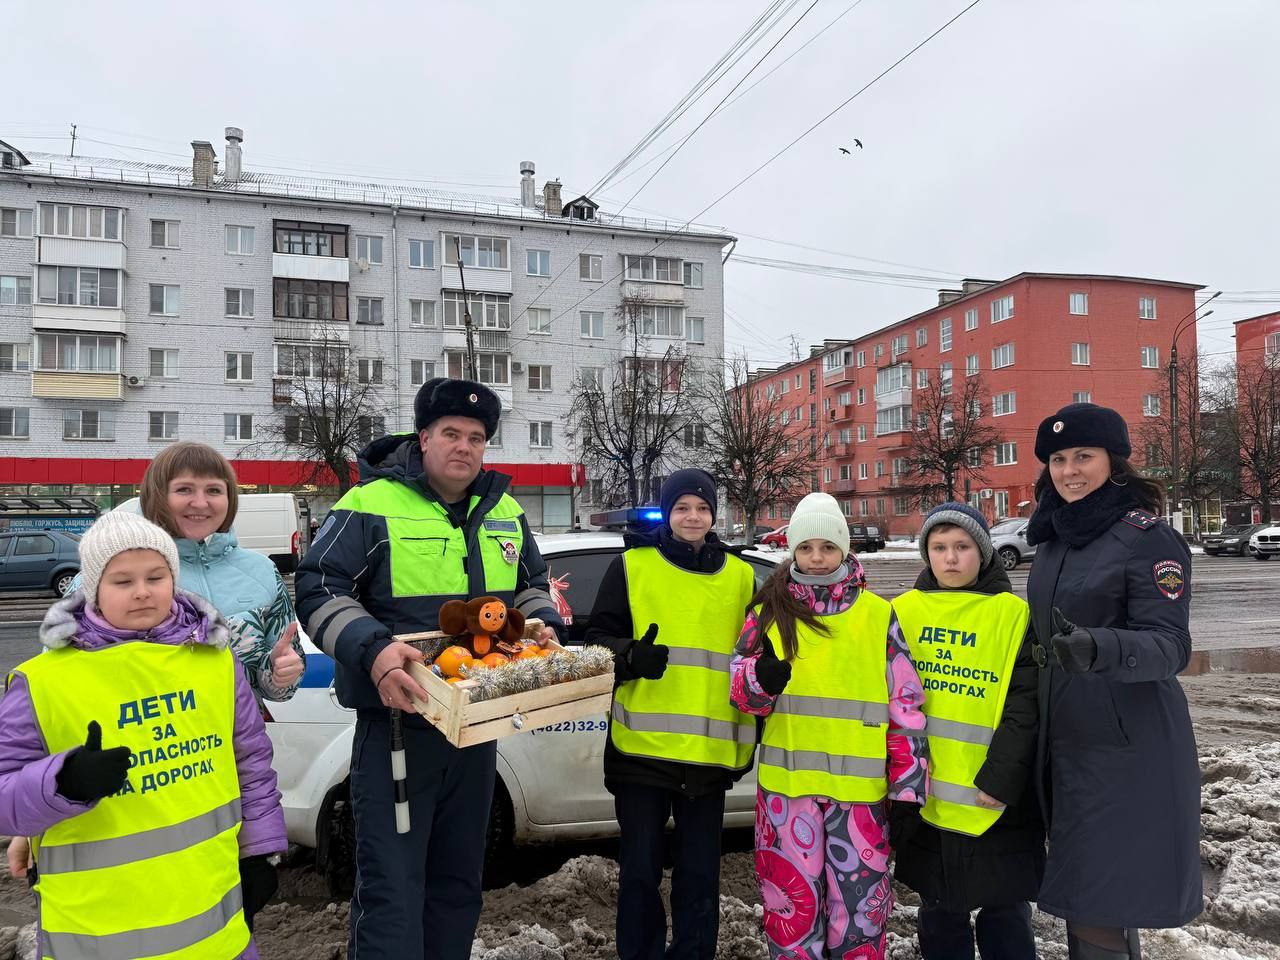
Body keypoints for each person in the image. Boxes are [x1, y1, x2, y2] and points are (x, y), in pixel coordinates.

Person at [294, 378, 565, 960]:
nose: (464, 447)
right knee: (393, 891)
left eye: (476, 437)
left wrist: (541, 624)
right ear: (424, 437)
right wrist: (374, 650)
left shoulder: (505, 509)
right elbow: (317, 586)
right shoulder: (370, 504)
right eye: (450, 433)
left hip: (476, 729)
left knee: (459, 884)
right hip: (398, 729)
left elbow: (530, 587)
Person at [0, 511, 285, 957]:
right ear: (93, 588)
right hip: (95, 932)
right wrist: (62, 782)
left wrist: (262, 850)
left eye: (156, 576)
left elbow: (250, 761)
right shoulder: (42, 681)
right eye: (121, 580)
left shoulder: (214, 662)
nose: (142, 591)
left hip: (215, 922)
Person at [1025, 403, 1200, 959]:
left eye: (1084, 456)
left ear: (1114, 461)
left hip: (1124, 749)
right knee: (1087, 898)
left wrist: (1102, 646)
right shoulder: (1054, 540)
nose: (1070, 470)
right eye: (1058, 459)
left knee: (1100, 901)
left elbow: (1171, 646)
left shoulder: (1147, 539)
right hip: (1064, 741)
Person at [729, 492, 928, 960]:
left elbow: (907, 710)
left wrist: (907, 792)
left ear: (844, 549)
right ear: (792, 551)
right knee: (791, 915)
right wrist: (761, 679)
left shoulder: (878, 615)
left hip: (859, 798)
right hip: (787, 794)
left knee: (859, 918)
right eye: (805, 548)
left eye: (827, 547)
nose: (816, 559)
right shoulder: (768, 613)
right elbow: (739, 693)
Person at [586, 469, 757, 960]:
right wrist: (630, 657)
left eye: (702, 508)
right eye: (682, 507)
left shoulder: (740, 575)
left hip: (709, 754)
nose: (693, 517)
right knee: (640, 873)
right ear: (668, 512)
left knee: (700, 876)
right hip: (642, 752)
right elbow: (597, 640)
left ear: (714, 514)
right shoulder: (633, 566)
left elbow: (753, 654)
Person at [890, 503, 1043, 960]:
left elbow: (1026, 705)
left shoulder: (1013, 615)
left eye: (961, 547)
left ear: (984, 553)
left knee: (1006, 915)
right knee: (939, 914)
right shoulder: (902, 612)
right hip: (926, 792)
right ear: (926, 554)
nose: (950, 558)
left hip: (995, 795)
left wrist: (1001, 779)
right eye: (939, 548)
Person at [65, 441, 305, 703]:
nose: (200, 503)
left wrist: (281, 673)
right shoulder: (103, 577)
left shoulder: (262, 572)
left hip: (237, 740)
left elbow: (279, 684)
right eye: (184, 489)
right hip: (132, 741)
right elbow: (60, 682)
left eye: (214, 490)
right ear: (157, 495)